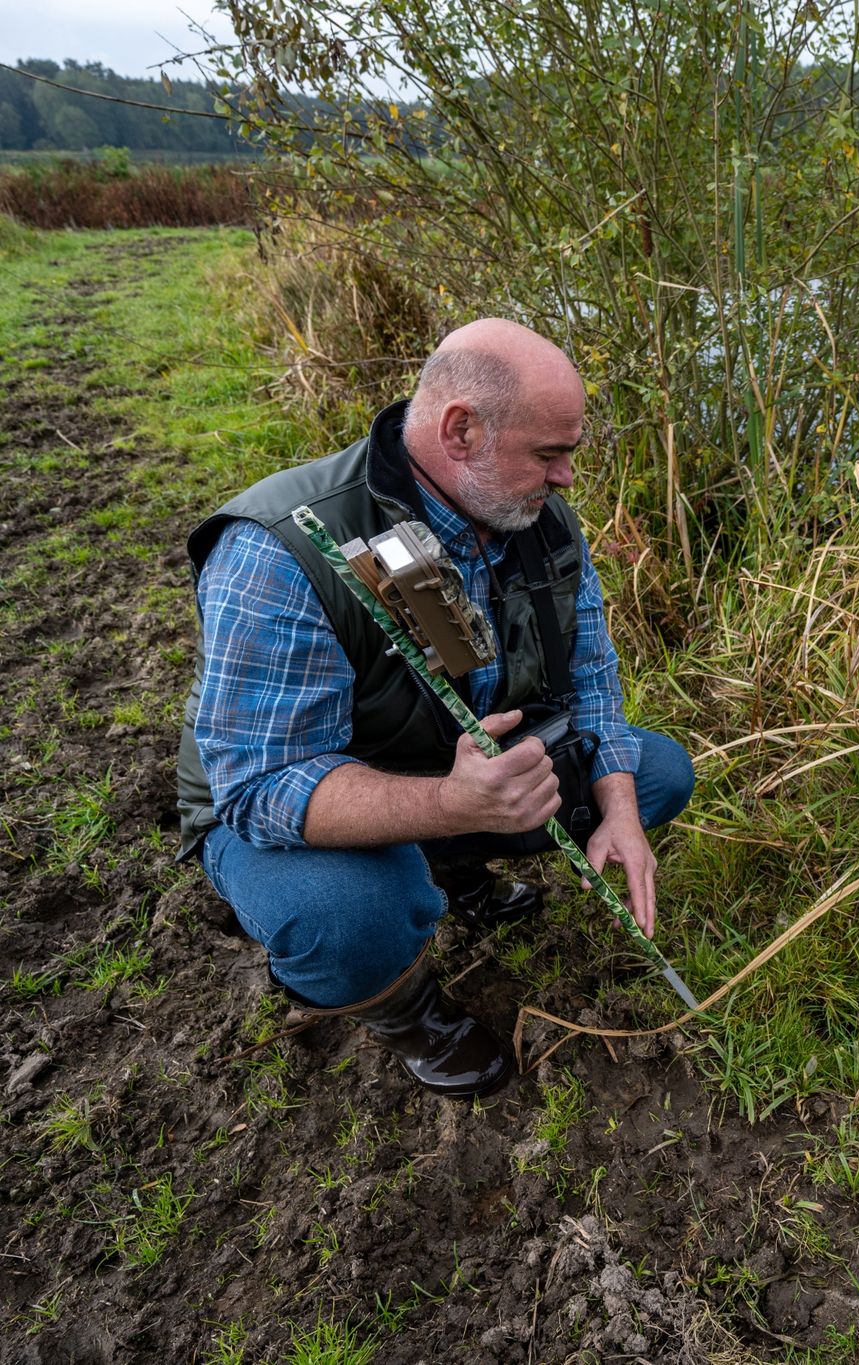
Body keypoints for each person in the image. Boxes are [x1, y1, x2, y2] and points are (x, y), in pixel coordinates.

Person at [174, 319, 694, 1099]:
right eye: (549, 454)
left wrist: (616, 807)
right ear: (461, 431)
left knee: (655, 775)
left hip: (453, 767)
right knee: (347, 915)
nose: (566, 480)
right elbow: (258, 788)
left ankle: (450, 871)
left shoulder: (535, 518)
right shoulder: (279, 550)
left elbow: (592, 670)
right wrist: (450, 803)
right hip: (293, 802)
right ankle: (409, 1012)